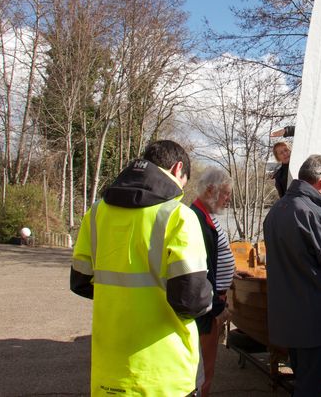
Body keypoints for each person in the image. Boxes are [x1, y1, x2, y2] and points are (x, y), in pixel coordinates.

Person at [70, 140, 213, 397]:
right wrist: (211, 296)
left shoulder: (95, 213)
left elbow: (80, 281)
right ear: (177, 168)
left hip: (108, 371)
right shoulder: (179, 217)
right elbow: (191, 302)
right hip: (166, 374)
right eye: (184, 181)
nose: (181, 189)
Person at [263, 153, 321, 396]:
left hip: (287, 318)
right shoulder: (316, 214)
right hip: (314, 319)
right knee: (313, 387)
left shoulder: (275, 211)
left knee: (303, 382)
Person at [190, 167, 235, 397]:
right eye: (225, 193)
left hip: (214, 303)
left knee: (207, 369)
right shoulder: (197, 220)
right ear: (210, 190)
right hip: (208, 308)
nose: (228, 199)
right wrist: (216, 305)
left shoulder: (206, 216)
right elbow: (201, 270)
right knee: (203, 372)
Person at [270, 125, 295, 198]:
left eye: (286, 150)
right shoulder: (279, 175)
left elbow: (306, 132)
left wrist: (287, 131)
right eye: (281, 153)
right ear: (278, 158)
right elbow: (283, 198)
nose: (284, 153)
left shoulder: (303, 164)